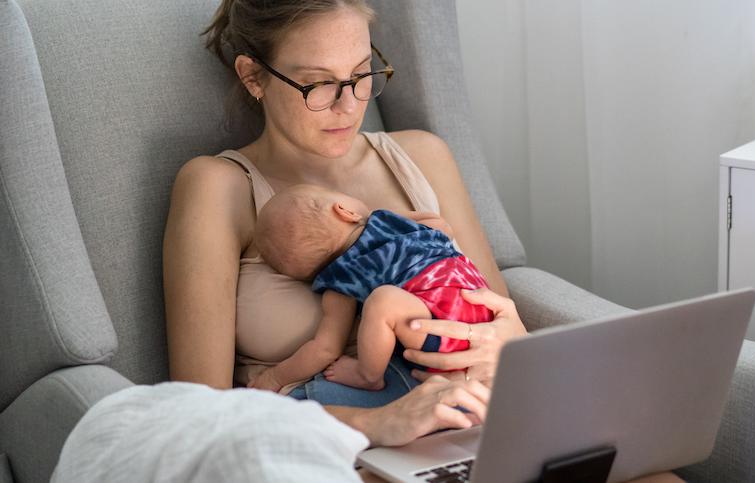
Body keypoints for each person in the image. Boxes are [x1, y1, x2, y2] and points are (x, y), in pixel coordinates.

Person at [162, 0, 681, 481]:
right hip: (331, 450)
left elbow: (498, 311)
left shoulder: (421, 157)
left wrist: (507, 347)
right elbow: (200, 413)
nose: (349, 105)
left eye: (363, 74)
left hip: (470, 420)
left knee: (659, 477)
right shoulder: (218, 186)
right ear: (254, 76)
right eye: (318, 84)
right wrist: (380, 423)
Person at [247, 183, 494, 392]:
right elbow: (442, 226)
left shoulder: (342, 280)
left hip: (466, 316)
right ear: (344, 211)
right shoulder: (343, 277)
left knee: (385, 300)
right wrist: (276, 378)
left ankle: (369, 374)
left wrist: (275, 377)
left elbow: (324, 348)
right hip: (459, 316)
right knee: (384, 300)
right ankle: (368, 375)